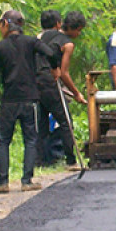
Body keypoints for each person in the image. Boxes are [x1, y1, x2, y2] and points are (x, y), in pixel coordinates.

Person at [0, 10, 55, 193]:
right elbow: (50, 52)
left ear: (6, 24)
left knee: (3, 141)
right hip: (30, 99)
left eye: (0, 24)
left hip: (9, 100)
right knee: (31, 139)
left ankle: (2, 182)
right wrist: (55, 69)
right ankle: (26, 180)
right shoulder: (31, 42)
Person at [35, 10, 86, 169]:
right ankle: (71, 161)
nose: (78, 34)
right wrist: (76, 93)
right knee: (65, 121)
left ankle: (41, 161)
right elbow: (63, 73)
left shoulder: (41, 36)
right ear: (73, 28)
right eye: (79, 30)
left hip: (36, 81)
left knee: (42, 123)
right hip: (51, 82)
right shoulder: (67, 44)